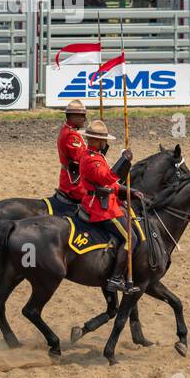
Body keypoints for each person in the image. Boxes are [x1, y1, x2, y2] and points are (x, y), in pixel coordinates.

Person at [77, 120, 139, 294]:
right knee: (131, 238)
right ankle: (116, 278)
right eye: (103, 140)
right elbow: (107, 177)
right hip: (101, 208)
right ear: (95, 140)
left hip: (106, 201)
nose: (105, 143)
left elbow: (111, 183)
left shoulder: (96, 156)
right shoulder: (90, 160)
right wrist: (124, 160)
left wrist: (130, 190)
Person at [54, 99, 90, 208]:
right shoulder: (72, 135)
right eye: (83, 116)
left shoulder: (67, 129)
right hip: (74, 183)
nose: (85, 119)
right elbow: (81, 159)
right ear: (73, 116)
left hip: (69, 177)